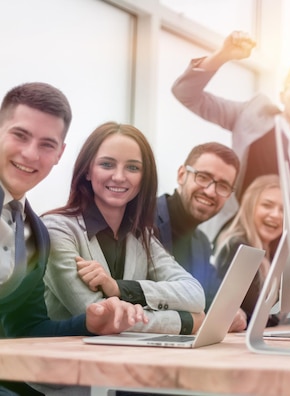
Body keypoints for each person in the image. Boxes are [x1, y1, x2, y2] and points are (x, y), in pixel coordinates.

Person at [0, 82, 147, 396]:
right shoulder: (57, 228)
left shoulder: (35, 234)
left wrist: (91, 323)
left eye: (47, 144)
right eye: (20, 135)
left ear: (60, 154)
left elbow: (27, 329)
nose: (30, 153)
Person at [172, 30, 290, 239]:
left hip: (288, 255)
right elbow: (185, 94)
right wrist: (222, 55)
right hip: (233, 237)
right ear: (282, 95)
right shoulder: (252, 114)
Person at [42, 122, 205, 336]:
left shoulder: (141, 235)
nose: (119, 176)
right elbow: (100, 317)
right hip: (65, 362)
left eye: (133, 167)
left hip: (125, 360)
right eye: (107, 164)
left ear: (143, 178)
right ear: (88, 171)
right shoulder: (57, 229)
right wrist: (185, 322)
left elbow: (195, 294)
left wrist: (119, 288)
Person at [155, 142, 246, 332]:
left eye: (223, 186)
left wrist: (236, 313)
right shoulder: (144, 219)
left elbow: (215, 298)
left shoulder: (202, 243)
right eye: (203, 177)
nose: (210, 191)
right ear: (182, 175)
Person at [214, 174, 283, 327]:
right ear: (250, 205)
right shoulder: (237, 246)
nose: (276, 215)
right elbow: (256, 316)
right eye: (267, 205)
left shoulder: (267, 254)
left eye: (283, 210)